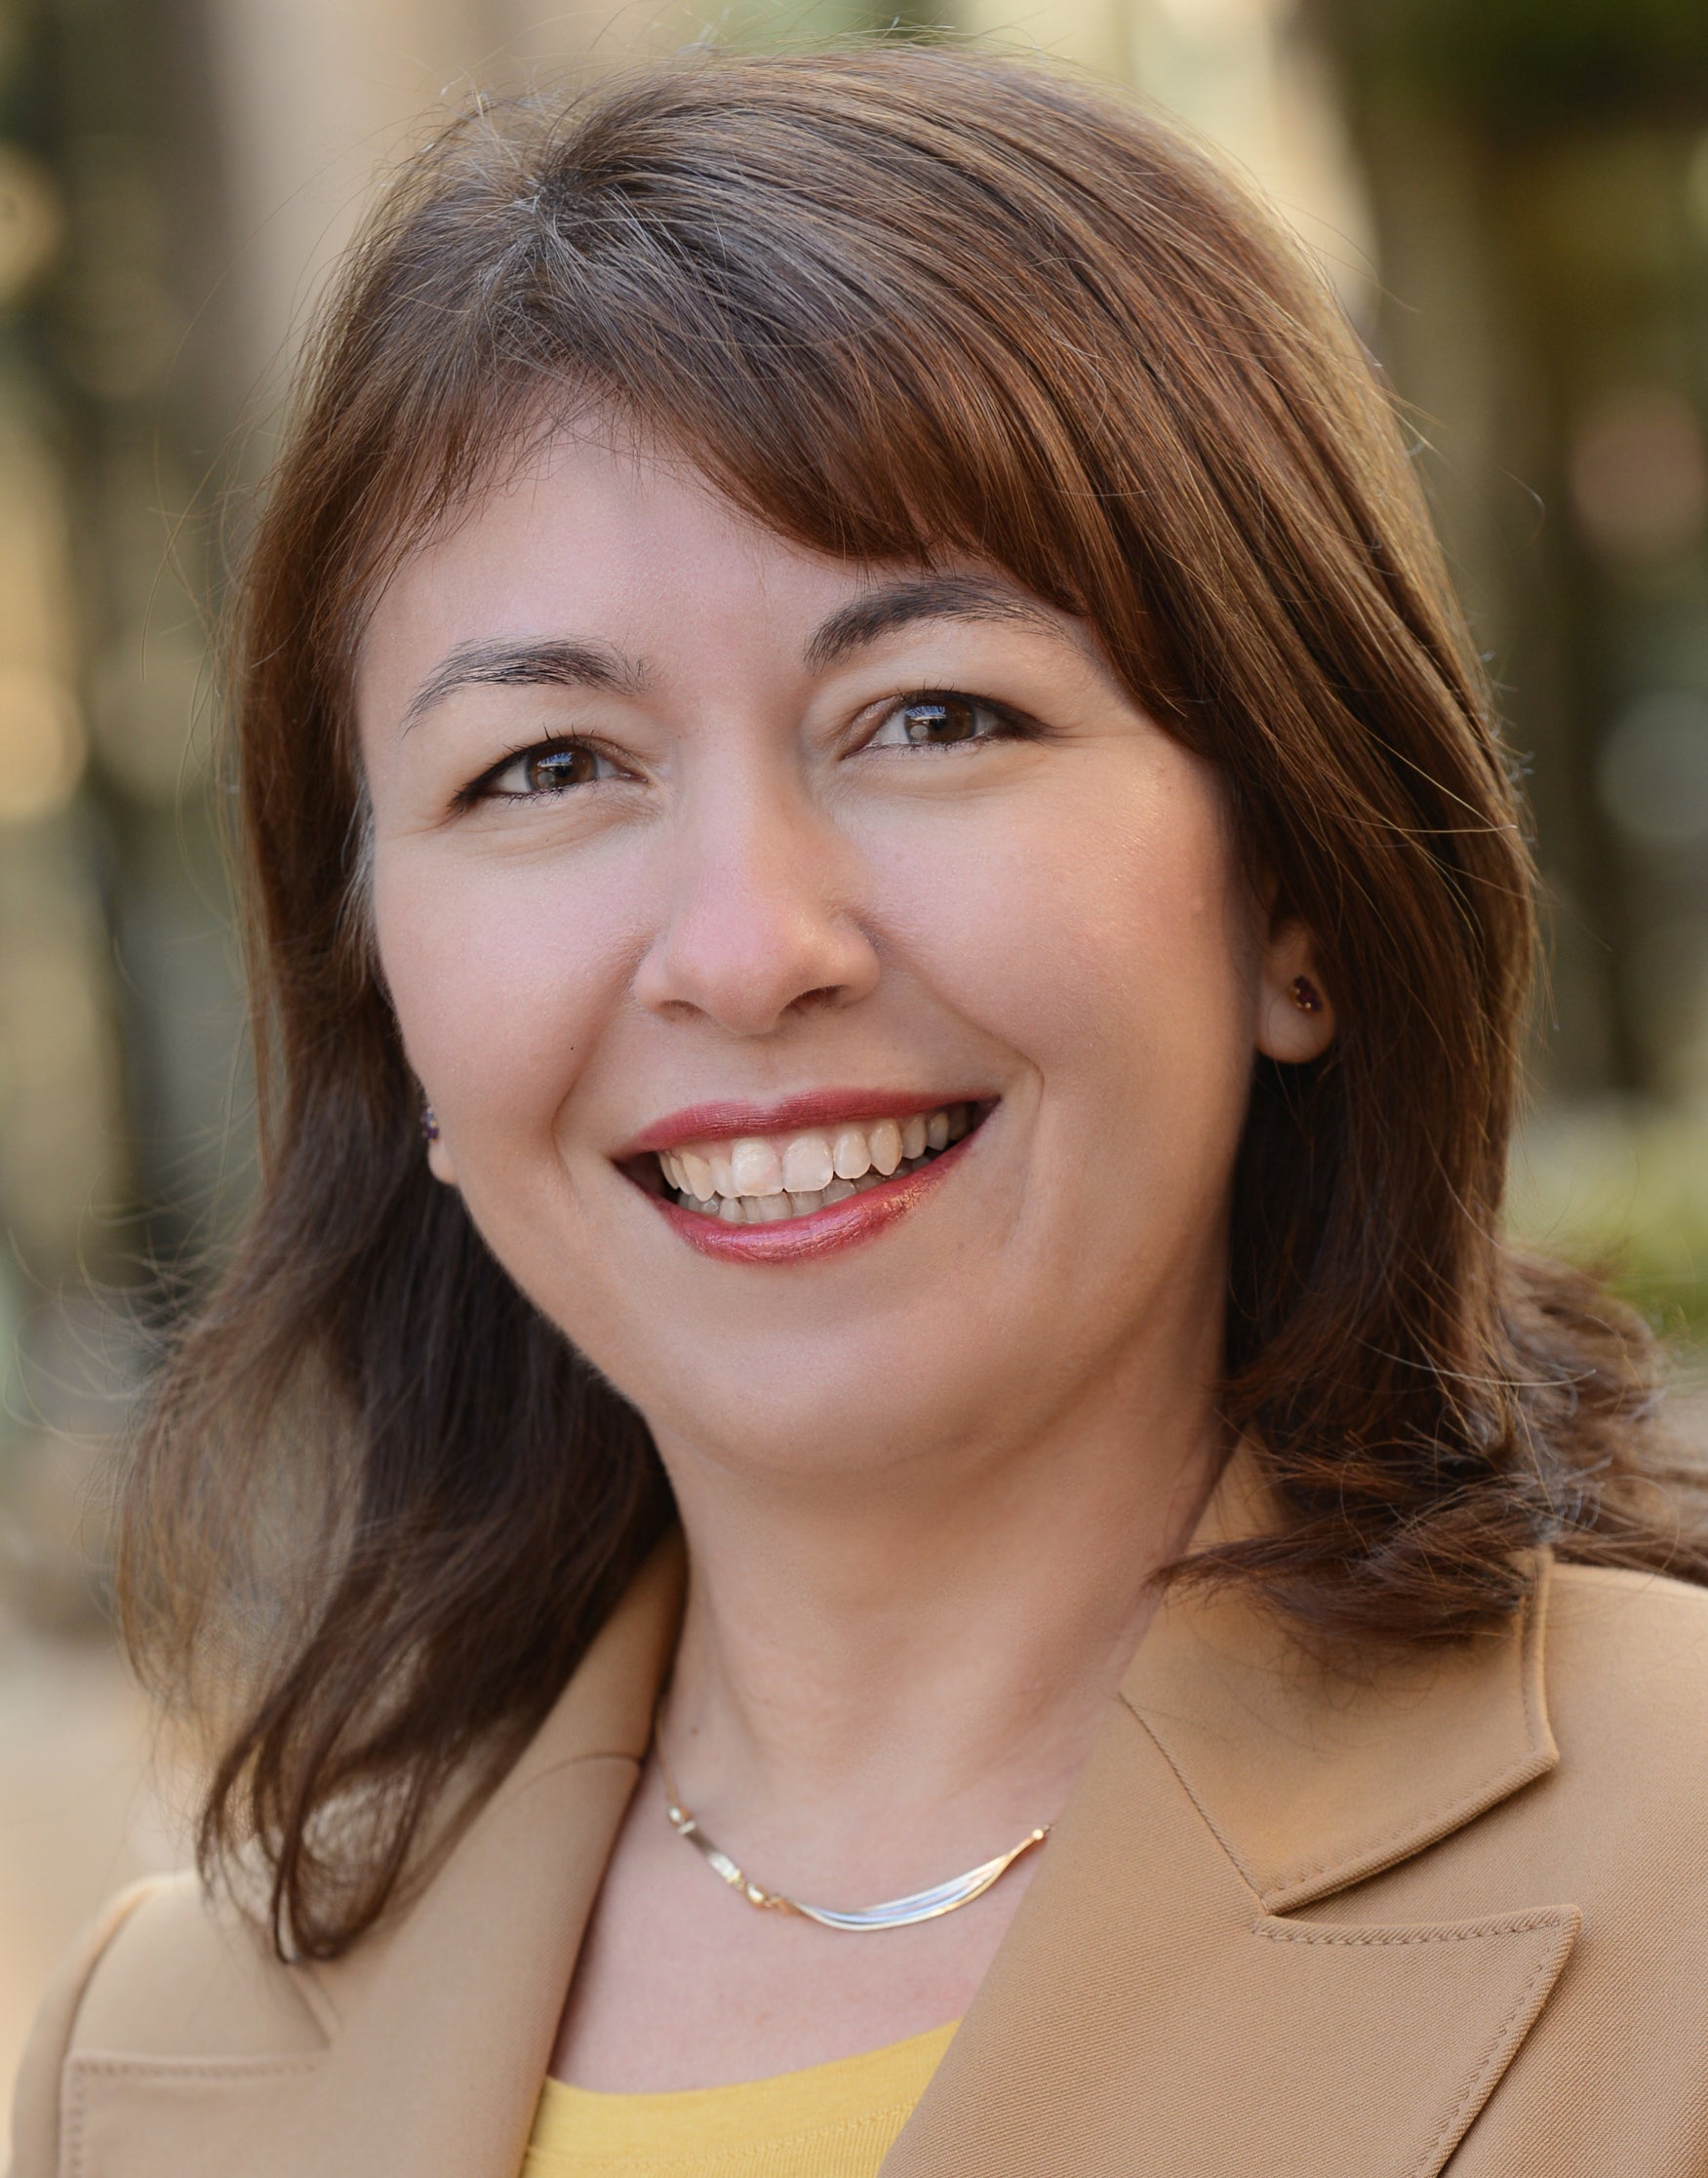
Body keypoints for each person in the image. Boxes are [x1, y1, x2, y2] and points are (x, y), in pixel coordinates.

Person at [12, 44, 1708, 2178]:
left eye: (931, 716)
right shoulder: (145, 2070)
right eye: (548, 766)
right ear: (391, 1012)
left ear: (1297, 895)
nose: (747, 948)